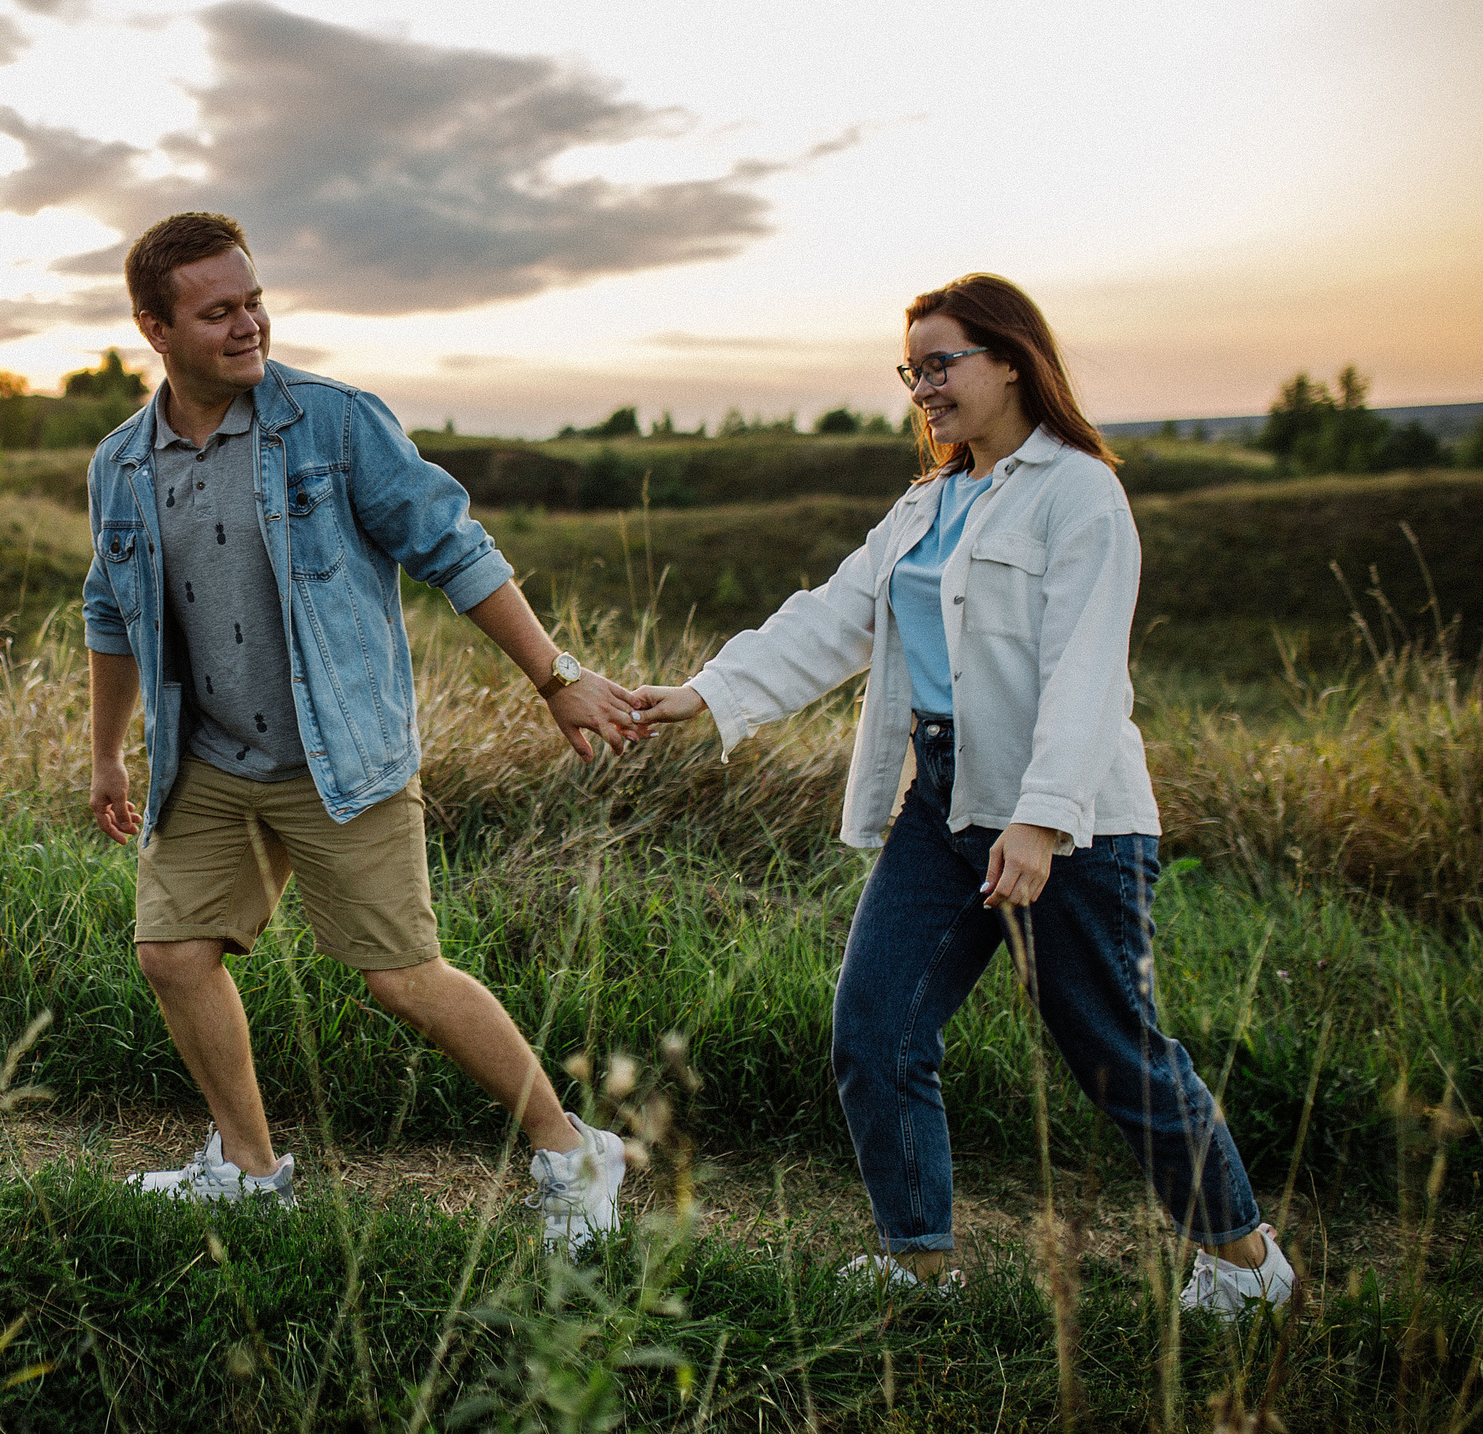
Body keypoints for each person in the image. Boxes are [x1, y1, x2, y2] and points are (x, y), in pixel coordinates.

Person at [623, 273, 1294, 1314]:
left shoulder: (1078, 492)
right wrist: (703, 693)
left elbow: (1086, 674)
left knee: (1111, 1048)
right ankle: (920, 1266)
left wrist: (1038, 821)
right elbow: (830, 617)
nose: (922, 388)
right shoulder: (925, 503)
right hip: (939, 803)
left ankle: (1246, 1263)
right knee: (874, 1027)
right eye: (912, 371)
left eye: (940, 364)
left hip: (1070, 818)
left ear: (1011, 361)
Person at [83, 211, 644, 1248]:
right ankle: (249, 1171)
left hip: (338, 755)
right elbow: (110, 612)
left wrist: (555, 676)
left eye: (254, 301)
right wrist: (109, 751)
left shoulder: (335, 424)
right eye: (218, 312)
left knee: (403, 977)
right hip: (206, 759)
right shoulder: (120, 463)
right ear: (154, 329)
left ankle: (573, 1149)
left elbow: (453, 548)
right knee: (172, 955)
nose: (249, 324)